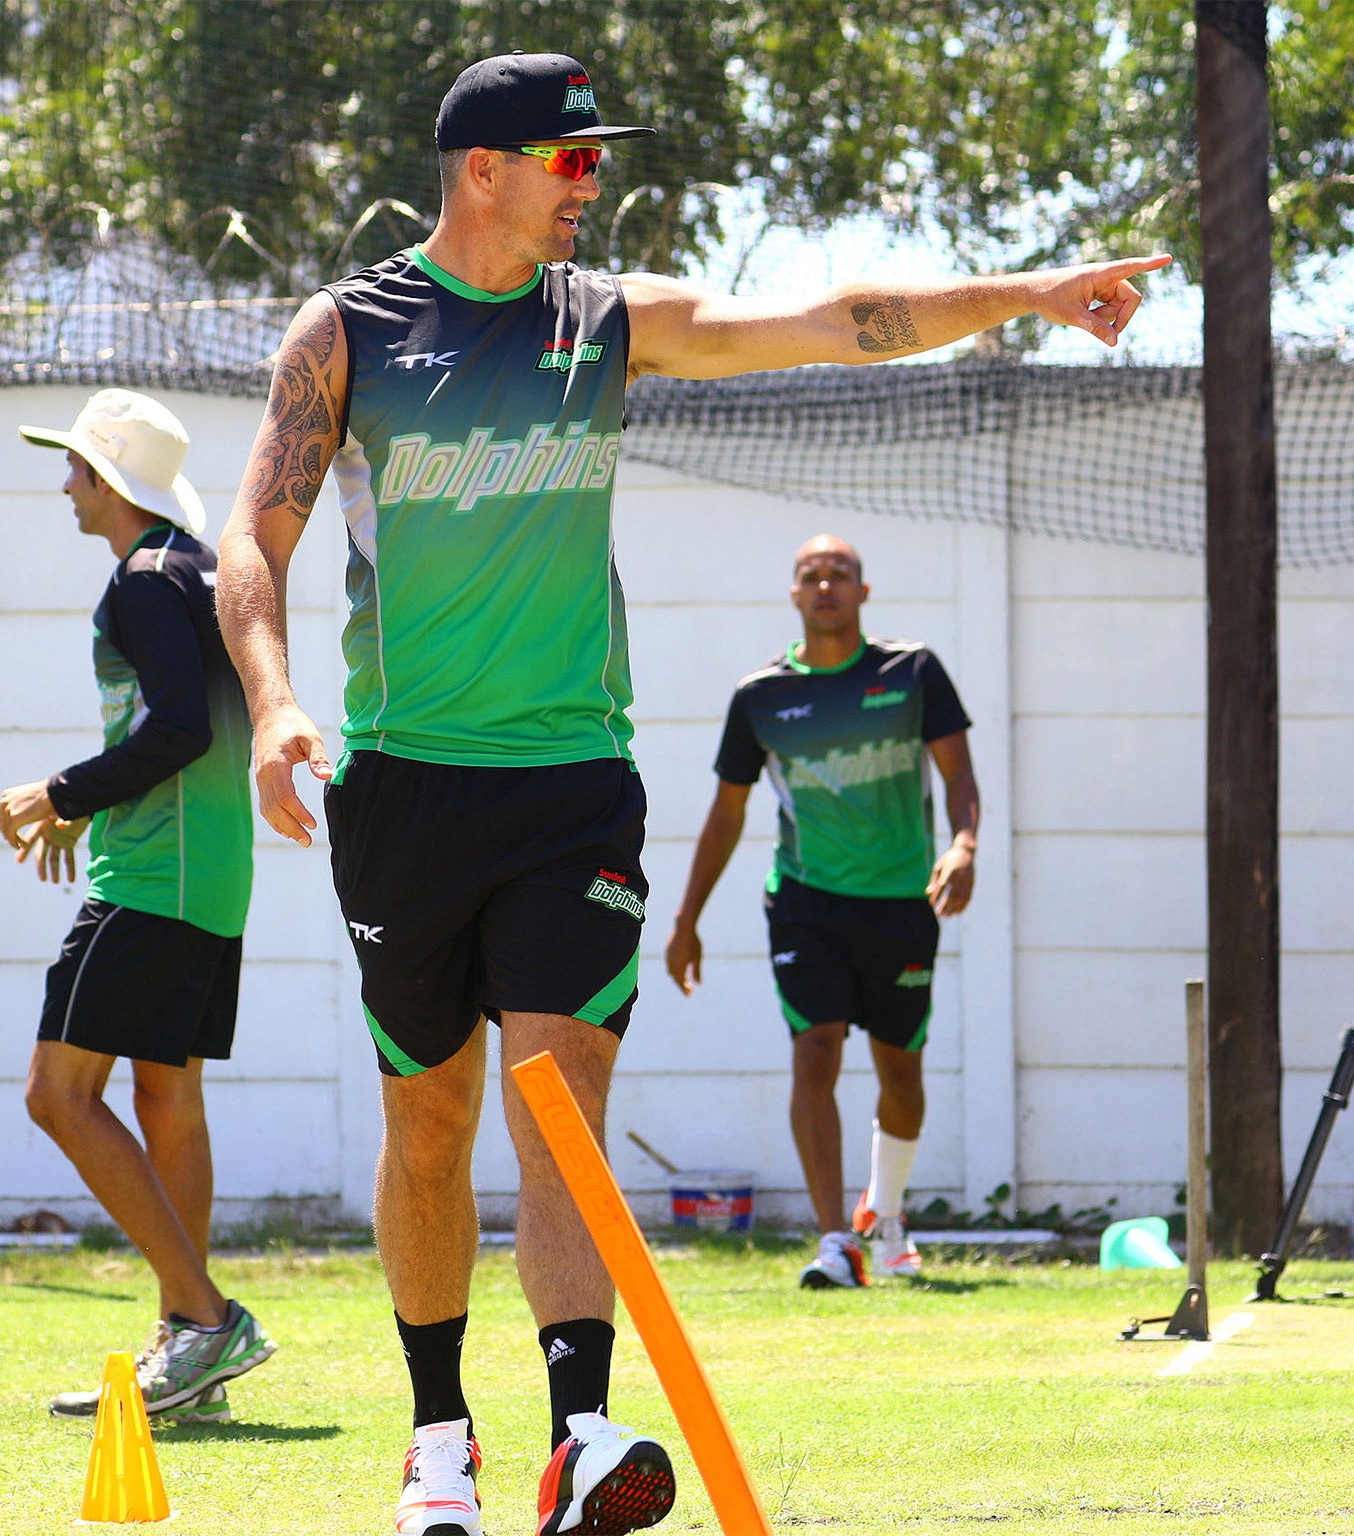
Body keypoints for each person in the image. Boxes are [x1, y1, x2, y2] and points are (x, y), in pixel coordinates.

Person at [215, 49, 1165, 1536]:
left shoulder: (607, 324)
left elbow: (836, 322)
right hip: (402, 789)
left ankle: (582, 1433)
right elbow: (251, 544)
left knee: (562, 1114)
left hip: (573, 787)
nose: (594, 185)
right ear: (487, 170)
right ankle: (439, 1441)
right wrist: (276, 704)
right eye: (573, 161)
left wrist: (1028, 291)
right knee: (428, 1123)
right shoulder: (350, 333)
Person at [0, 389, 273, 1422]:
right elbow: (181, 731)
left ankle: (205, 1319)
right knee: (166, 1096)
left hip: (152, 882)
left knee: (56, 1095)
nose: (65, 482)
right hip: (206, 877)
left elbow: (178, 733)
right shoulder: (194, 570)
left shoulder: (146, 577)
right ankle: (187, 1349)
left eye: (74, 466)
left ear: (109, 480)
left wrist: (58, 795)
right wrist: (92, 808)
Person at [666, 537, 976, 1289]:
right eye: (812, 575)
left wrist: (964, 845)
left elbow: (959, 771)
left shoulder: (913, 672)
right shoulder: (760, 696)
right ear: (795, 595)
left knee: (901, 1070)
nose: (826, 585)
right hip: (807, 902)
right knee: (816, 1049)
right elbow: (727, 813)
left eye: (839, 574)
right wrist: (686, 920)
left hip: (902, 900)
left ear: (863, 592)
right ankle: (835, 1239)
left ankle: (888, 1214)